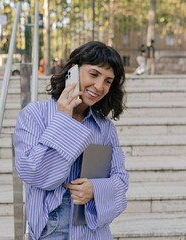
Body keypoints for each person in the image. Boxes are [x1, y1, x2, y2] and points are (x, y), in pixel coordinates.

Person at [14, 41, 129, 240]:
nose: (99, 86)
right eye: (93, 74)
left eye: (108, 81)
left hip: (94, 230)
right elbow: (32, 172)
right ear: (73, 71)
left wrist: (95, 189)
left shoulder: (105, 128)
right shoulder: (34, 115)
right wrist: (63, 120)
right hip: (53, 227)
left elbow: (120, 180)